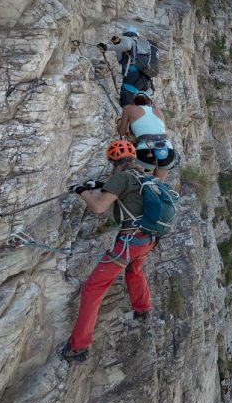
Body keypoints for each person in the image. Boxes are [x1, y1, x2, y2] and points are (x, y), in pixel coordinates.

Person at [60, 140, 156, 363]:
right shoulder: (144, 176)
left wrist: (82, 191)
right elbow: (127, 193)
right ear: (133, 158)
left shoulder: (121, 177)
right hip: (147, 239)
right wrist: (101, 185)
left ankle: (79, 347)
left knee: (93, 288)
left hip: (128, 242)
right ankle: (142, 308)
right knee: (135, 269)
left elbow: (99, 208)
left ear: (113, 161)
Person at [117, 91, 177, 181]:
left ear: (134, 102)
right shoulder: (158, 112)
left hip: (145, 151)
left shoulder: (128, 108)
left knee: (137, 185)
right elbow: (164, 132)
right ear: (150, 102)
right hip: (166, 150)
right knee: (157, 187)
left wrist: (119, 122)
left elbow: (122, 132)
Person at [98, 26, 155, 107]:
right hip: (146, 77)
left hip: (132, 76)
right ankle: (143, 116)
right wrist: (117, 46)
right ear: (137, 35)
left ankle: (129, 117)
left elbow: (127, 46)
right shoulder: (143, 44)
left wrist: (107, 47)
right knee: (141, 104)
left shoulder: (128, 39)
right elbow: (121, 60)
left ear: (125, 34)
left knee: (126, 102)